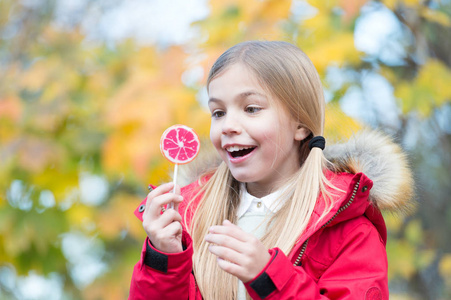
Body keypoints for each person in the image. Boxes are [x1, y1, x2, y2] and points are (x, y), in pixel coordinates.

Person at [128, 41, 413, 299]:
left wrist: (269, 276)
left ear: (301, 124)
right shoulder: (190, 218)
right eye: (218, 112)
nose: (227, 125)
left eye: (251, 108)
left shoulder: (348, 229)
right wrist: (163, 259)